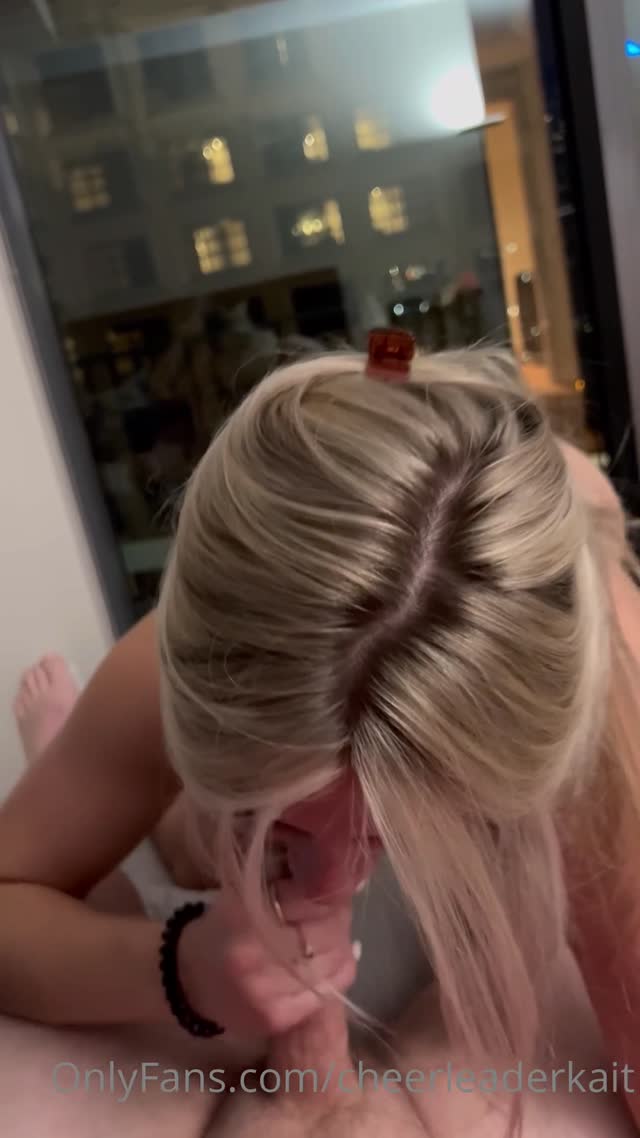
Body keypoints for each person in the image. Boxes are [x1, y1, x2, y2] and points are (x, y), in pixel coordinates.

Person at [1, 346, 639, 1136]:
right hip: (185, 779)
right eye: (292, 826)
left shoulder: (590, 696)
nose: (337, 881)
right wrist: (178, 968)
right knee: (182, 848)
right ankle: (69, 750)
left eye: (381, 833)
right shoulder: (189, 664)